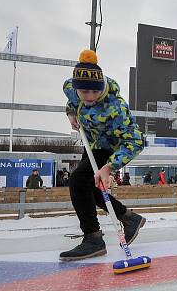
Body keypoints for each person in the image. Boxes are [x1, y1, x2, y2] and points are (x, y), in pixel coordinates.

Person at [60, 49, 146, 261]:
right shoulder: (71, 87)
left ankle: (93, 239)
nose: (89, 97)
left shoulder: (115, 108)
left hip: (109, 147)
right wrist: (70, 112)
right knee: (89, 186)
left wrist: (109, 167)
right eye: (84, 92)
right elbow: (71, 98)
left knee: (79, 180)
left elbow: (135, 142)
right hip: (91, 143)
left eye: (95, 92)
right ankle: (128, 218)